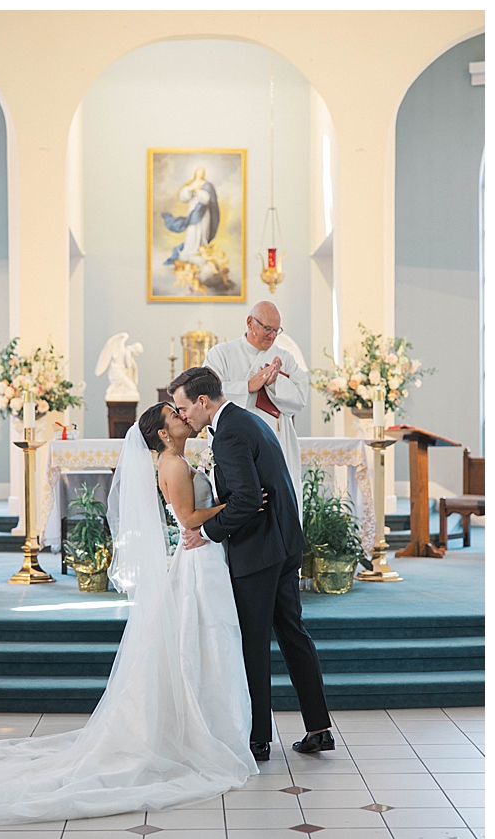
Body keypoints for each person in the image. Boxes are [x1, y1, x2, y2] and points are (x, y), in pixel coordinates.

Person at [0, 406, 257, 827]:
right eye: (173, 415)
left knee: (204, 640)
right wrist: (234, 507)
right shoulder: (173, 464)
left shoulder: (177, 460)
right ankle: (203, 729)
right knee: (202, 639)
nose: (183, 416)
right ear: (163, 434)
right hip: (198, 559)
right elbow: (188, 519)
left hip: (203, 559)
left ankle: (212, 722)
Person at [168, 366, 334, 760]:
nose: (183, 415)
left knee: (254, 643)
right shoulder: (250, 422)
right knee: (294, 633)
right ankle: (319, 728)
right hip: (284, 543)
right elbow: (261, 491)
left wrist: (204, 533)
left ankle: (258, 738)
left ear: (203, 401)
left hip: (258, 553)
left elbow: (245, 500)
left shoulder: (229, 434)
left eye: (183, 406)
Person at [203, 300, 308, 513]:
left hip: (276, 439)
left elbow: (300, 399)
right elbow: (206, 393)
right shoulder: (221, 354)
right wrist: (248, 386)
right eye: (266, 328)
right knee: (241, 501)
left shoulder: (284, 357)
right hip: (235, 441)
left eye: (276, 330)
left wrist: (275, 383)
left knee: (278, 505)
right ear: (250, 322)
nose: (271, 335)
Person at [162, 166, 220, 265]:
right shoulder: (191, 184)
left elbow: (207, 199)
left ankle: (201, 251)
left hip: (204, 214)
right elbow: (183, 197)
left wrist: (197, 191)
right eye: (199, 171)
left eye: (202, 172)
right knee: (192, 231)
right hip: (194, 212)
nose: (200, 173)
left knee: (203, 232)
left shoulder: (207, 185)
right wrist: (191, 188)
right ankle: (189, 252)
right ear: (195, 173)